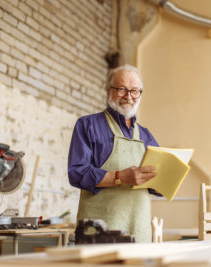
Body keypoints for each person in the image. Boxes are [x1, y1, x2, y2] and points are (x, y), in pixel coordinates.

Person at [68, 64, 160, 243]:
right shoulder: (87, 126)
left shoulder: (146, 136)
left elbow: (156, 181)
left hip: (139, 231)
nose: (128, 96)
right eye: (122, 89)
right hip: (98, 232)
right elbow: (77, 173)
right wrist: (121, 177)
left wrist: (162, 183)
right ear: (108, 90)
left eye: (135, 91)